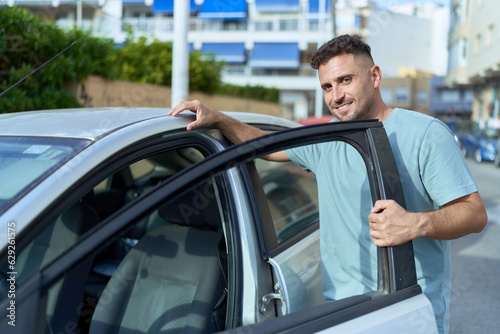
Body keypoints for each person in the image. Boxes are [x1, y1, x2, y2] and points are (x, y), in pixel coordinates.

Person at [168, 34, 487, 334]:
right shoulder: (328, 136)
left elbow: (474, 214)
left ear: (374, 76)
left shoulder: (426, 134)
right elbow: (267, 145)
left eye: (346, 80)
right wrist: (220, 119)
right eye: (327, 86)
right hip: (342, 310)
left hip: (406, 308)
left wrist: (417, 223)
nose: (336, 96)